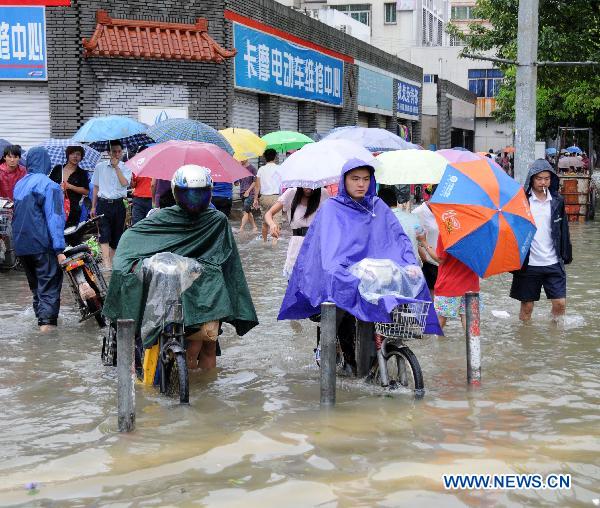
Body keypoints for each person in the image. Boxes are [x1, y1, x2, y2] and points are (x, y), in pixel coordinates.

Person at [103, 164, 258, 371]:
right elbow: (129, 250)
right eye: (190, 194)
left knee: (205, 347)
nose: (195, 200)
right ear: (177, 193)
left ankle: (202, 393)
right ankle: (202, 394)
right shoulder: (164, 219)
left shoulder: (215, 221)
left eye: (200, 194)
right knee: (198, 348)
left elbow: (229, 263)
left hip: (206, 293)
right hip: (197, 293)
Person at [278, 158, 441, 336]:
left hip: (374, 275)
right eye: (355, 179)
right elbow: (326, 248)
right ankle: (336, 352)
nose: (361, 184)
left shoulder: (377, 206)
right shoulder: (332, 208)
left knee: (404, 287)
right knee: (341, 317)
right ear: (344, 180)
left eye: (365, 179)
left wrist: (409, 263)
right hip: (342, 272)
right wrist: (338, 269)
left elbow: (397, 240)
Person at [12, 147, 66, 332]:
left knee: (37, 290)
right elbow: (55, 218)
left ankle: (40, 327)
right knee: (49, 289)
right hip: (42, 245)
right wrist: (59, 249)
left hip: (22, 246)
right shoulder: (50, 185)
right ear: (46, 162)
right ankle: (47, 338)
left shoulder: (19, 185)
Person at [510, 159, 572, 321]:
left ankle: (554, 338)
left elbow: (563, 230)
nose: (543, 182)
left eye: (547, 178)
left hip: (553, 262)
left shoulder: (557, 201)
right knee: (527, 307)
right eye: (539, 178)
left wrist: (566, 255)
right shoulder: (522, 201)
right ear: (531, 179)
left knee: (560, 303)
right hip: (529, 264)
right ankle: (526, 340)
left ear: (551, 180)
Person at [265, 186, 329, 278]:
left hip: (317, 244)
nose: (309, 189)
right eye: (305, 185)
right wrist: (272, 224)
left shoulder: (323, 193)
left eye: (312, 186)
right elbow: (269, 213)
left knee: (315, 281)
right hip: (297, 244)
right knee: (294, 280)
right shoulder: (291, 193)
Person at [90, 140, 132, 271]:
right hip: (103, 204)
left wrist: (117, 167)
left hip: (118, 204)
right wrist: (93, 206)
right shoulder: (100, 167)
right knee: (104, 233)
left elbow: (125, 183)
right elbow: (96, 187)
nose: (117, 154)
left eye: (119, 151)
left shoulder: (126, 166)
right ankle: (106, 264)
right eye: (114, 151)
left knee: (116, 234)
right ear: (109, 152)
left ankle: (112, 264)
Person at [430, 237, 480, 330]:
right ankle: (471, 344)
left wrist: (424, 243)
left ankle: (435, 344)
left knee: (440, 319)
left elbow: (440, 259)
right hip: (471, 284)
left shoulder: (447, 231)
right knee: (469, 320)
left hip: (449, 285)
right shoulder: (478, 232)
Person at [48, 145, 89, 228]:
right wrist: (57, 187)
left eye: (78, 154)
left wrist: (70, 186)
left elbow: (86, 191)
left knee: (70, 234)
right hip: (56, 207)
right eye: (72, 154)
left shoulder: (82, 173)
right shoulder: (58, 169)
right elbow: (49, 184)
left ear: (81, 157)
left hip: (73, 209)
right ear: (67, 155)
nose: (75, 156)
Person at [377, 186, 419, 258]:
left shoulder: (378, 223)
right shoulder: (415, 218)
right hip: (414, 265)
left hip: (393, 266)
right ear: (396, 201)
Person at [253, 148, 282, 241]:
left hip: (264, 197)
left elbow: (257, 186)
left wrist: (255, 199)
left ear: (265, 158)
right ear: (275, 157)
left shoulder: (261, 169)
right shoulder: (279, 168)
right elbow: (283, 184)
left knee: (265, 222)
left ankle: (264, 242)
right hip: (276, 197)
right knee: (276, 221)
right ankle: (274, 244)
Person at [412, 201, 440, 297]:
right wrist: (422, 252)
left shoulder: (447, 211)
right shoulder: (418, 212)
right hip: (431, 263)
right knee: (432, 301)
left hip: (446, 265)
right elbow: (413, 237)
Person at [128, 145, 153, 225]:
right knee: (137, 223)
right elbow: (133, 185)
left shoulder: (154, 166)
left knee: (149, 224)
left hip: (151, 200)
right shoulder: (137, 166)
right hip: (138, 199)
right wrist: (131, 179)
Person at [236, 159, 258, 232]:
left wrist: (248, 191)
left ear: (246, 158)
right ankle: (254, 227)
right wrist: (235, 181)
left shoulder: (252, 169)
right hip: (242, 193)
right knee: (248, 211)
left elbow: (255, 182)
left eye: (242, 158)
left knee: (245, 211)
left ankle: (241, 228)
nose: (240, 160)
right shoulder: (239, 169)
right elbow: (237, 183)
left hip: (250, 194)